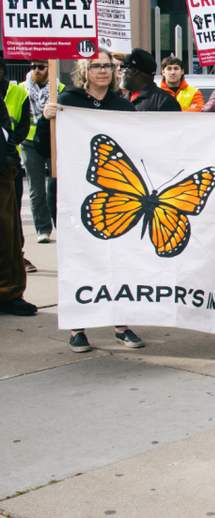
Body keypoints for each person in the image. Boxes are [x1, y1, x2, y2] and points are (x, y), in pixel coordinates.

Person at [37, 55, 143, 349]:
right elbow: (43, 148)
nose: (103, 71)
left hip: (115, 201)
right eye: (96, 65)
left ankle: (121, 325)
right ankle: (77, 328)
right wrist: (47, 119)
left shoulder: (122, 106)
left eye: (108, 66)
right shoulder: (66, 102)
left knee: (117, 259)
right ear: (85, 70)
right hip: (69, 191)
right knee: (77, 259)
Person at [0, 86, 35, 316]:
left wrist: (10, 160)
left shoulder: (11, 91)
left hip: (2, 166)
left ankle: (8, 293)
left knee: (7, 234)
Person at [19, 59, 61, 244]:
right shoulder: (22, 89)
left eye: (41, 67)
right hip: (29, 144)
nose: (36, 70)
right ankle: (43, 229)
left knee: (57, 187)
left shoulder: (60, 89)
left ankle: (62, 225)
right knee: (36, 190)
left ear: (49, 69)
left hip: (54, 142)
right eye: (33, 67)